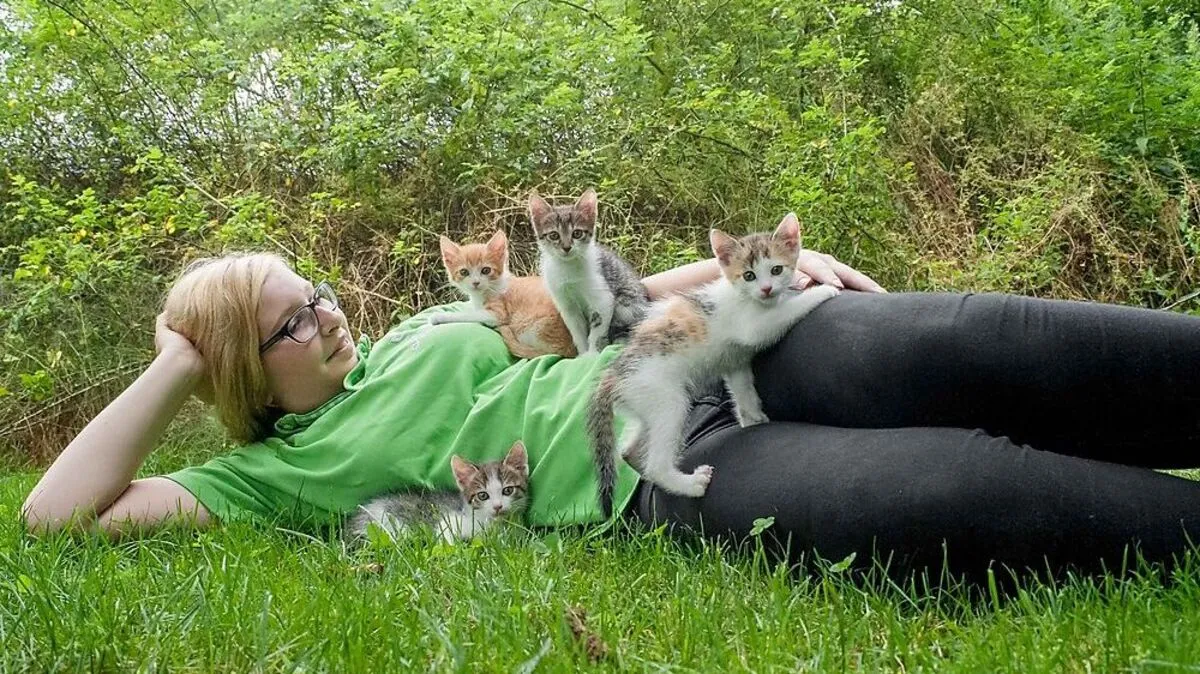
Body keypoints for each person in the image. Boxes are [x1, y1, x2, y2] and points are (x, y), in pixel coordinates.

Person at [18, 246, 1200, 582]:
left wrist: (744, 269)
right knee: (953, 488)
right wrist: (174, 362)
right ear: (240, 367)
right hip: (660, 465)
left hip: (707, 344)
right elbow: (56, 516)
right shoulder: (264, 477)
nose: (327, 314)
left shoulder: (427, 328)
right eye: (290, 322)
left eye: (315, 291)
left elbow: (589, 312)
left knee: (979, 339)